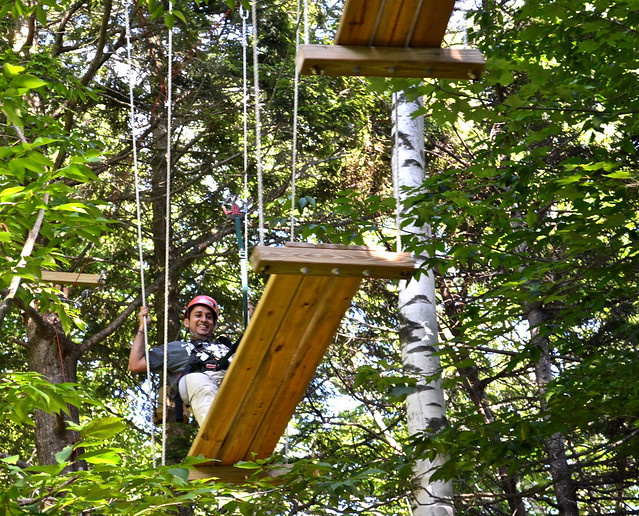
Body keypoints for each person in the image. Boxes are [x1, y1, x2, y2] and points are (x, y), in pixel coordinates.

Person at [128, 295, 239, 426]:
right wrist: (143, 328)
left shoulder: (228, 346)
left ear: (214, 325)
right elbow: (135, 364)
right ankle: (215, 428)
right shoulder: (176, 348)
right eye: (198, 315)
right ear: (186, 322)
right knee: (193, 379)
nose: (204, 320)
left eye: (209, 317)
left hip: (235, 384)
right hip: (204, 387)